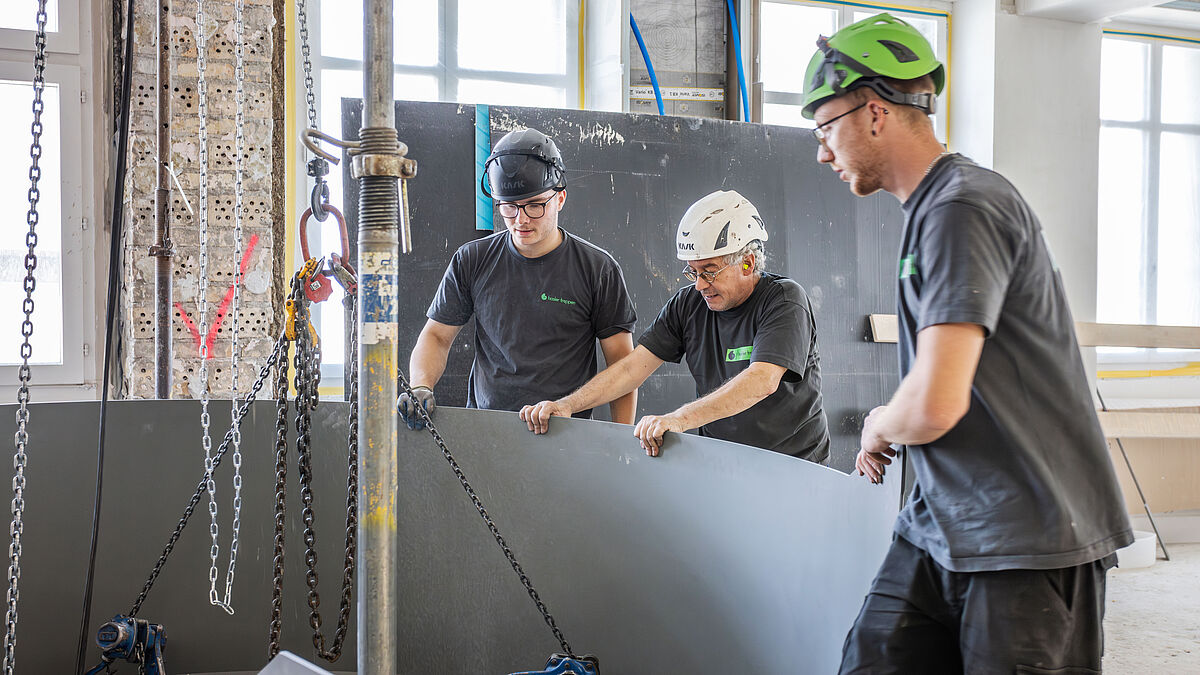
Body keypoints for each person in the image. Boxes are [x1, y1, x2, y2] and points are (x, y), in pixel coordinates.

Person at [801, 13, 1134, 674]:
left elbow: (936, 402)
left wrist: (877, 422)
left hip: (1028, 534)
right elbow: (943, 373)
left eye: (824, 126)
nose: (821, 151)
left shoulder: (963, 207)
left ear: (873, 114)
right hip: (942, 523)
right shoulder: (934, 210)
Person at [520, 190, 830, 465]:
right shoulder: (688, 304)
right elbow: (631, 370)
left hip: (795, 465)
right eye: (692, 271)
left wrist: (680, 419)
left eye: (709, 271)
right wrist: (567, 406)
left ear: (747, 263)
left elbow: (761, 380)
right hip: (727, 464)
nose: (699, 285)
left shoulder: (785, 301)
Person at [398, 127, 637, 428]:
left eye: (535, 205)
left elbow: (623, 368)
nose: (520, 219)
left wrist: (623, 447)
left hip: (566, 434)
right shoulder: (472, 260)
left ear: (560, 198)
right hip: (489, 428)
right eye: (509, 207)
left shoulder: (598, 269)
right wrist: (421, 385)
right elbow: (436, 336)